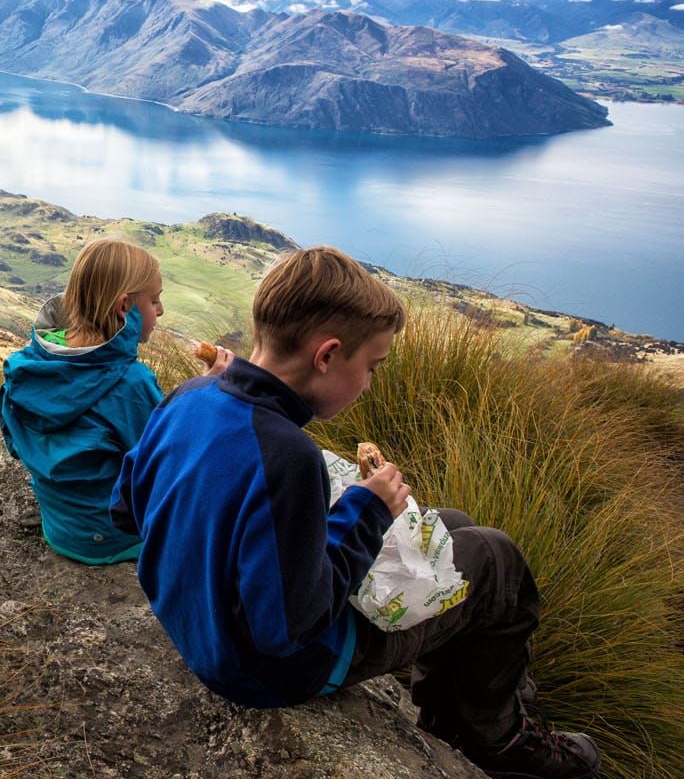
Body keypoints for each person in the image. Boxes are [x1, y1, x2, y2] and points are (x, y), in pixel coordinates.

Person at [109, 246, 599, 779]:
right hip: (267, 670)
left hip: (199, 626)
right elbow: (290, 627)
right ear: (327, 355)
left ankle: (458, 687)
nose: (369, 383)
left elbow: (125, 509)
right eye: (371, 366)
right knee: (496, 560)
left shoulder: (189, 395)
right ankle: (495, 736)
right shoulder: (287, 455)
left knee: (449, 527)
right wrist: (365, 509)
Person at [0, 238, 230, 564]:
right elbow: (170, 465)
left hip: (60, 528)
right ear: (124, 307)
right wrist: (210, 392)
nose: (161, 310)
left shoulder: (29, 364)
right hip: (112, 538)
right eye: (154, 300)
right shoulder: (130, 384)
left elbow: (13, 442)